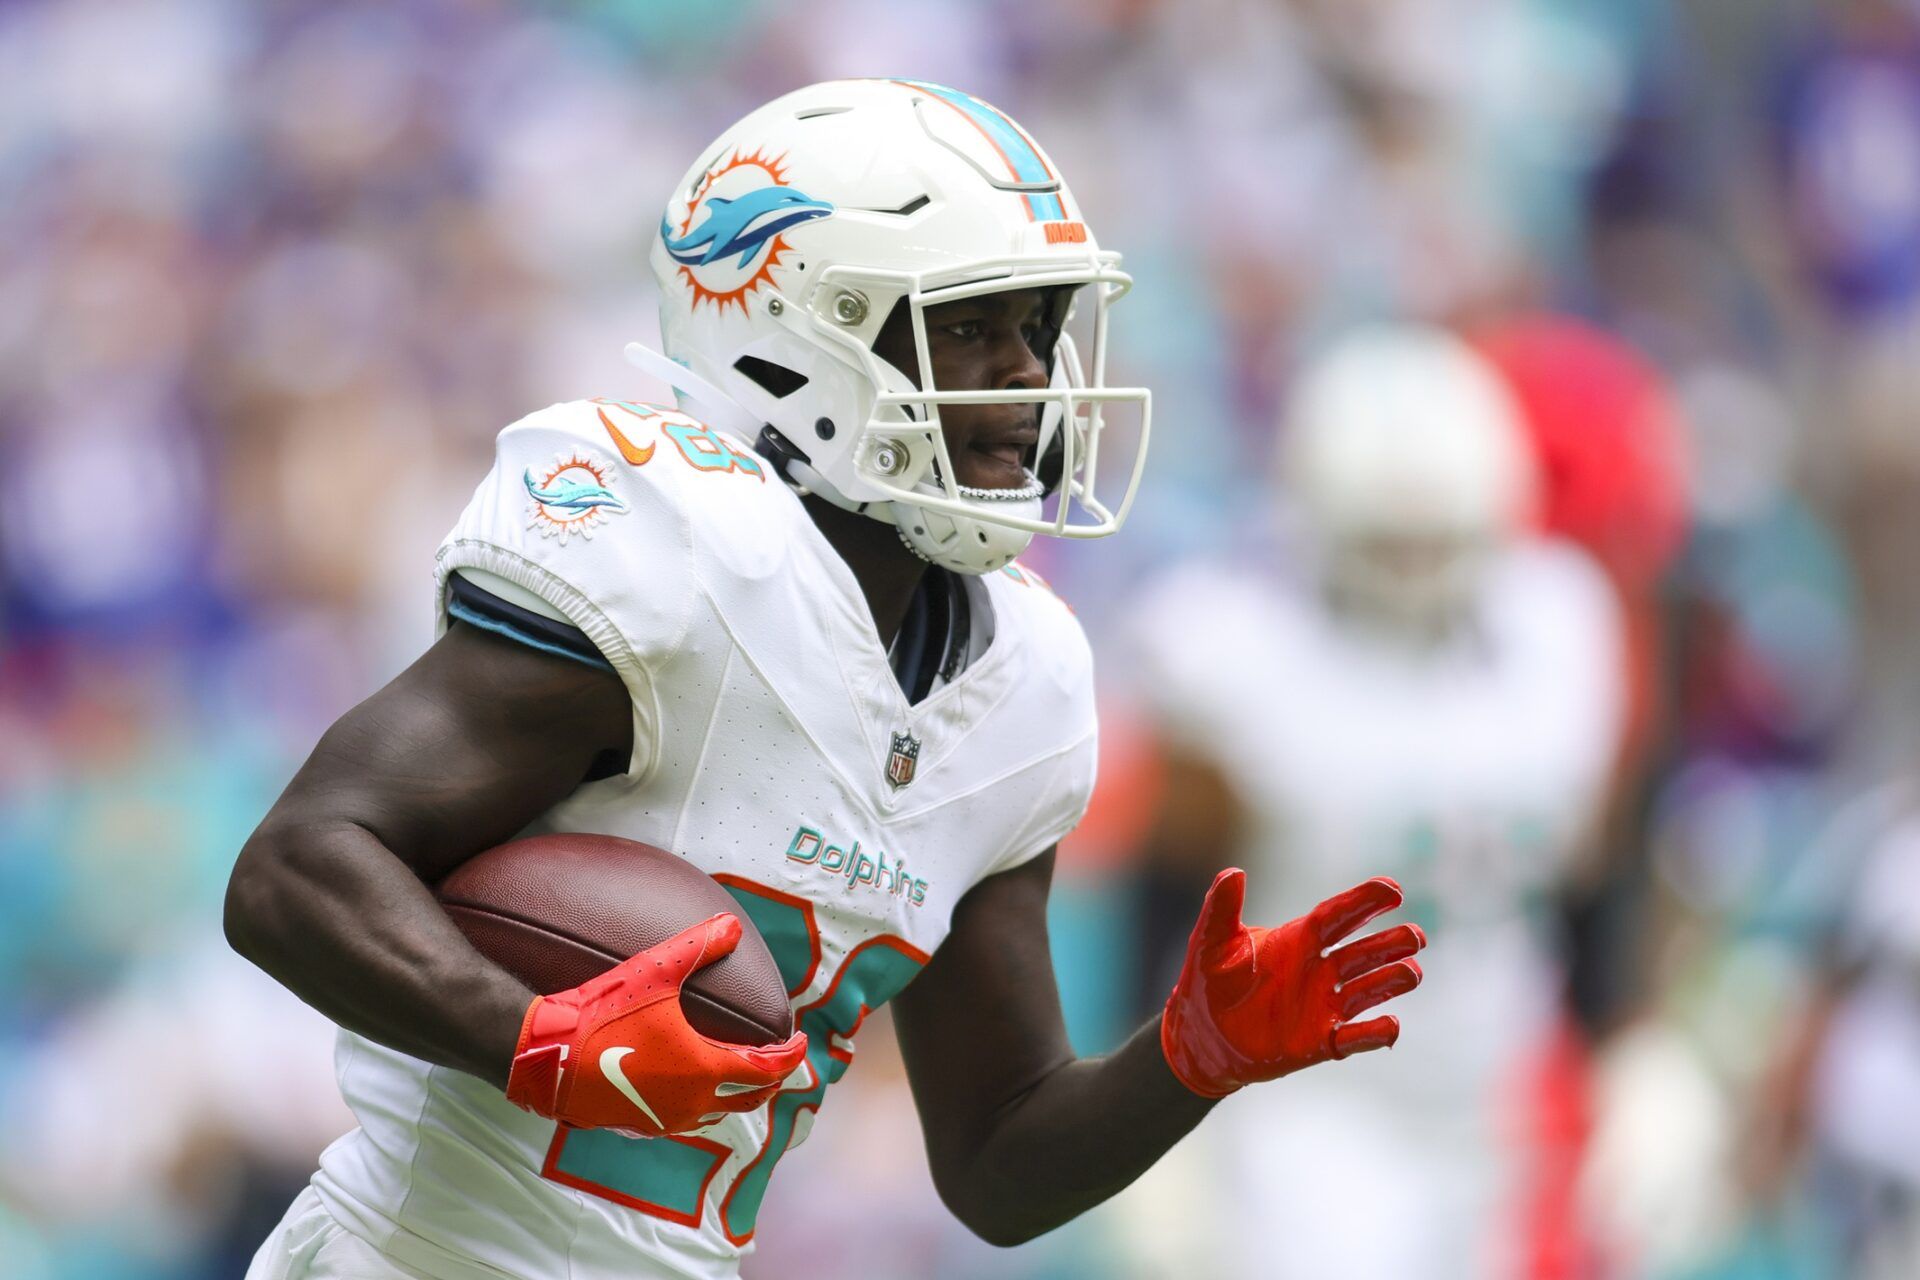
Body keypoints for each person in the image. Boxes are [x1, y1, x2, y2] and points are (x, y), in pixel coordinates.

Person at [224, 80, 1426, 1280]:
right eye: (968, 326)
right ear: (800, 340)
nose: (1026, 378)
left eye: (1038, 326)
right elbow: (295, 869)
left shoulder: (1029, 681)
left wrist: (1186, 1057)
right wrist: (531, 1038)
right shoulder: (679, 553)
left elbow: (1001, 1158)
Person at [1124, 325, 1624, 1279]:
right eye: (1389, 542)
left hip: (1494, 1094)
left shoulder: (1560, 629)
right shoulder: (1237, 654)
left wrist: (1625, 1046)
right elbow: (1173, 891)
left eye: (1441, 537)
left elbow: (1586, 868)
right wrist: (1149, 1100)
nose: (1418, 565)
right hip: (1307, 1104)